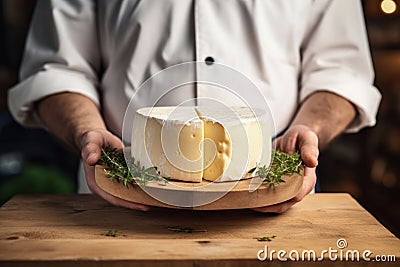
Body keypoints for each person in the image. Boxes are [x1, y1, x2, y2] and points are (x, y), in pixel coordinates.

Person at [8, 0, 381, 212]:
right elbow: (55, 69)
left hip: (271, 203)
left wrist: (310, 131)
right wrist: (86, 132)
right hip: (123, 200)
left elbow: (340, 73)